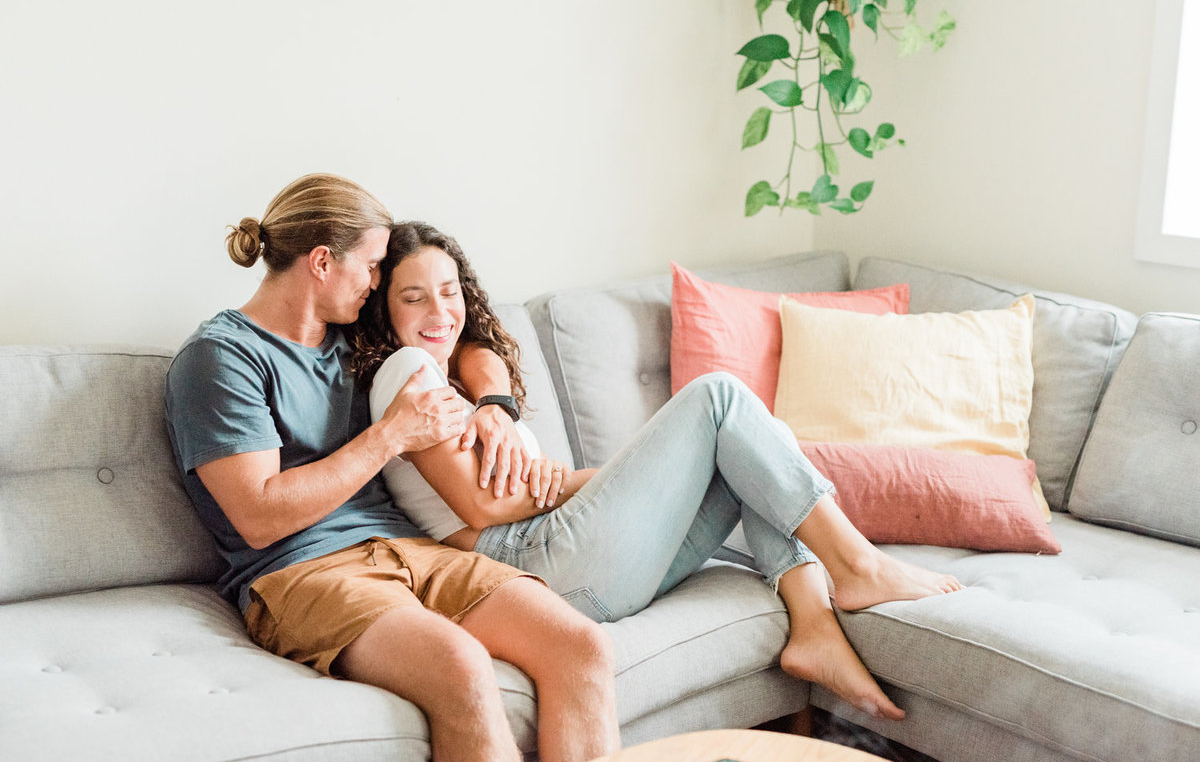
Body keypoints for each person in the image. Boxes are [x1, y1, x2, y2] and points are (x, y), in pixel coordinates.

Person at [349, 221, 965, 723]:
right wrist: (588, 478)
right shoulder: (405, 372)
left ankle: (813, 624)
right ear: (383, 309)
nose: (440, 310)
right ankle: (856, 565)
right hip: (525, 566)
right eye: (414, 296)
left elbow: (532, 474)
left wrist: (549, 455)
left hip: (572, 557)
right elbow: (483, 508)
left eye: (450, 290)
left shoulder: (462, 374)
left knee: (753, 447)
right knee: (721, 397)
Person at [163, 175, 619, 762]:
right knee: (459, 664)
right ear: (323, 262)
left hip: (412, 548)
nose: (379, 282)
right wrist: (389, 436)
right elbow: (258, 516)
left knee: (579, 645)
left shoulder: (350, 336)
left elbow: (466, 336)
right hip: (302, 572)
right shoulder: (221, 358)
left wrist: (494, 406)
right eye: (373, 265)